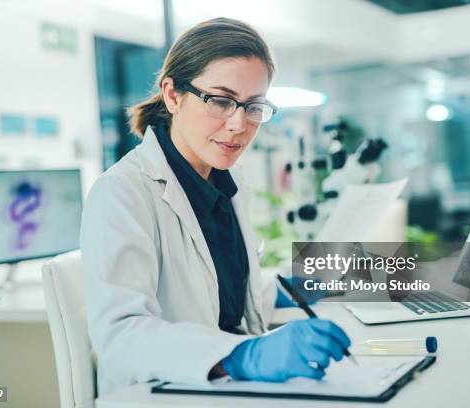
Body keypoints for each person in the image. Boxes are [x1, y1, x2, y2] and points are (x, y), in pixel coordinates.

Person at [81, 17, 351, 396]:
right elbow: (121, 336)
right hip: (164, 392)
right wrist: (245, 355)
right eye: (221, 101)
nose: (239, 124)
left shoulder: (228, 182)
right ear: (173, 95)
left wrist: (290, 286)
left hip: (233, 390)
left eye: (254, 106)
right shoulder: (121, 193)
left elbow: (218, 294)